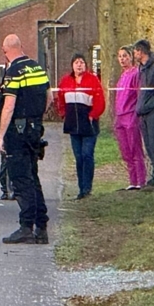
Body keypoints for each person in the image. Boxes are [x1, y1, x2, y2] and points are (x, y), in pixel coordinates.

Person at [0, 34, 52, 244]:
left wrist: (1, 136)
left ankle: (26, 226)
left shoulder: (13, 71)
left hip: (17, 132)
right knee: (33, 178)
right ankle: (41, 226)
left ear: (6, 50)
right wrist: (36, 119)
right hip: (35, 130)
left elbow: (9, 105)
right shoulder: (37, 68)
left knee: (21, 179)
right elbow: (50, 98)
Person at [55, 53, 105, 200]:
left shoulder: (93, 80)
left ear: (86, 65)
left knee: (87, 154)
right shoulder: (65, 81)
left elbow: (100, 100)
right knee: (78, 157)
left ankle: (87, 187)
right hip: (73, 125)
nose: (79, 65)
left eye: (82, 62)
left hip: (89, 125)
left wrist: (93, 115)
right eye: (76, 62)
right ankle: (81, 187)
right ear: (72, 65)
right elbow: (60, 100)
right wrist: (63, 114)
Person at [132, 39, 154, 190]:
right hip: (144, 115)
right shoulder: (141, 70)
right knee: (148, 145)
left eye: (135, 51)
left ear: (141, 52)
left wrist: (147, 106)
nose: (134, 54)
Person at [114, 46, 146, 190]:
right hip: (120, 116)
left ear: (130, 57)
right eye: (120, 56)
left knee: (135, 149)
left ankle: (141, 180)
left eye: (125, 56)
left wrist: (136, 113)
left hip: (131, 115)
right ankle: (132, 181)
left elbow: (139, 95)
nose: (122, 59)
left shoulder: (135, 73)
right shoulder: (122, 75)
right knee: (125, 150)